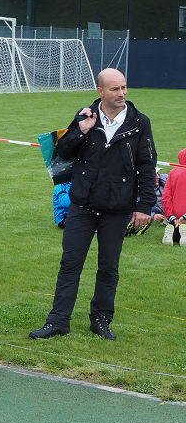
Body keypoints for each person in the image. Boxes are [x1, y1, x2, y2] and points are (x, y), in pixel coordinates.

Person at [30, 68, 156, 341]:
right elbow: (63, 152)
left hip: (117, 208)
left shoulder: (139, 122)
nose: (122, 93)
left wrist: (144, 206)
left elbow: (147, 166)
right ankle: (58, 320)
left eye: (124, 87)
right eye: (115, 89)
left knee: (108, 268)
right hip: (83, 206)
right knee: (70, 264)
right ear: (100, 91)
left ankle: (100, 320)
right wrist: (81, 130)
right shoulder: (86, 116)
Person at [162, 149, 186, 246]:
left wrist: (171, 217)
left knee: (174, 225)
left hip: (174, 216)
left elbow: (166, 197)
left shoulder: (173, 172)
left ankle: (173, 229)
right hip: (183, 216)